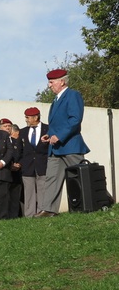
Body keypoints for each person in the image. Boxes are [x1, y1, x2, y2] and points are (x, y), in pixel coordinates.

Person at [40, 68, 90, 216]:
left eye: (51, 82)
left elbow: (75, 119)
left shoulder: (73, 95)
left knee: (81, 177)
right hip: (55, 147)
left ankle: (99, 200)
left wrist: (59, 136)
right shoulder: (55, 101)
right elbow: (57, 124)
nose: (49, 85)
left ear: (62, 82)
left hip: (70, 145)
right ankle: (48, 210)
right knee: (51, 179)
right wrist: (49, 135)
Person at [19, 107, 49, 218]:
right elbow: (19, 151)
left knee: (43, 190)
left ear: (36, 117)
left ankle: (42, 213)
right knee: (29, 192)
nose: (26, 120)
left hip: (43, 166)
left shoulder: (48, 129)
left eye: (28, 117)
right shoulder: (23, 132)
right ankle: (29, 215)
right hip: (27, 167)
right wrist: (21, 163)